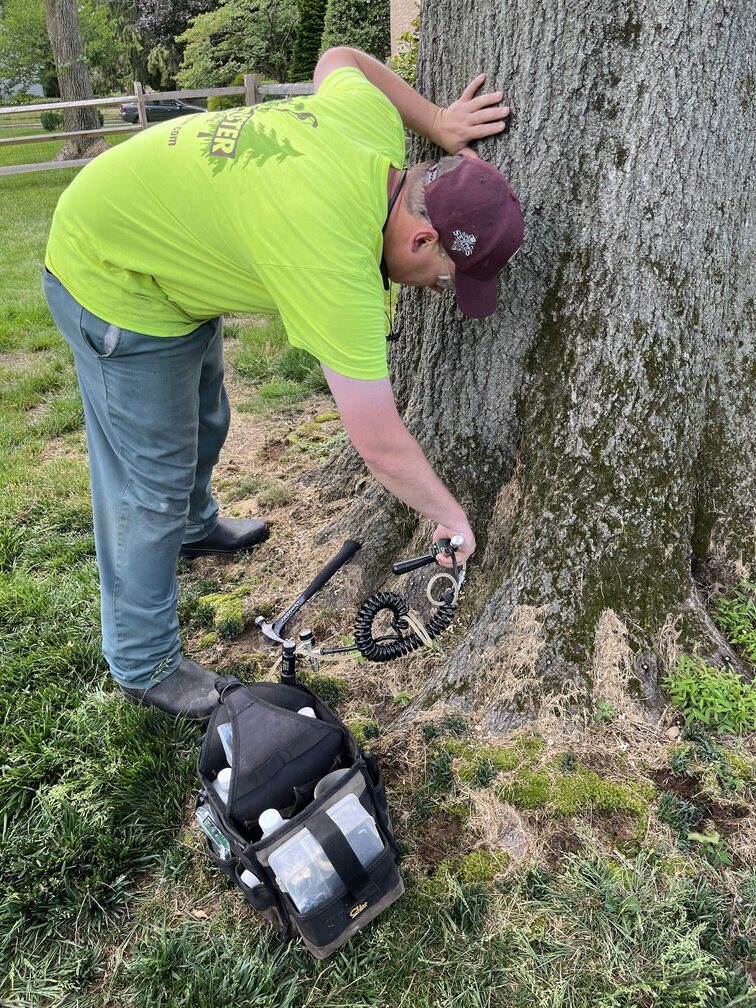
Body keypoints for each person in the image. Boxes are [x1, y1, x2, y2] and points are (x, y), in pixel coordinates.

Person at [43, 46, 524, 724]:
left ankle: (193, 527)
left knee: (205, 415)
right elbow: (380, 442)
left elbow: (341, 60)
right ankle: (143, 661)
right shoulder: (336, 262)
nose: (443, 290)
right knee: (149, 480)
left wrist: (438, 121)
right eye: (448, 277)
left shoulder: (370, 128)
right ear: (420, 240)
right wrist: (450, 517)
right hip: (109, 269)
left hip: (159, 241)